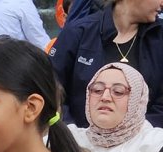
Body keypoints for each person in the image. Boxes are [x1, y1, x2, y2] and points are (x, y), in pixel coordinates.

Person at [51, 0, 163, 128]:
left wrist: (135, 136)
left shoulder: (159, 39)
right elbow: (49, 87)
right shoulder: (78, 32)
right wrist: (71, 133)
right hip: (75, 140)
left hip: (144, 142)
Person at [70, 63, 163, 152]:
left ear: (137, 100)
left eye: (118, 92)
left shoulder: (155, 142)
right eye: (97, 90)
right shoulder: (71, 138)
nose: (105, 97)